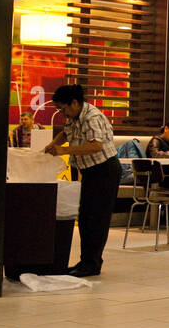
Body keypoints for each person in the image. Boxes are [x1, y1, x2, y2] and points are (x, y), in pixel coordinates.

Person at [42, 85, 120, 278]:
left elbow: (96, 145)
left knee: (96, 219)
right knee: (85, 217)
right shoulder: (74, 117)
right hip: (90, 172)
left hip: (105, 170)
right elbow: (66, 133)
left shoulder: (91, 116)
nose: (62, 113)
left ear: (75, 103)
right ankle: (85, 261)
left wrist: (64, 151)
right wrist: (53, 144)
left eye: (63, 108)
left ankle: (92, 264)